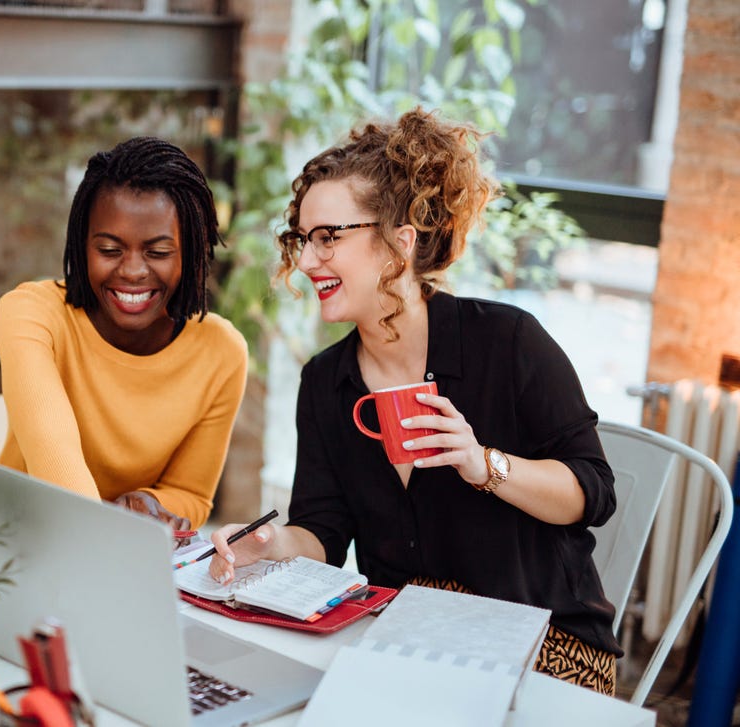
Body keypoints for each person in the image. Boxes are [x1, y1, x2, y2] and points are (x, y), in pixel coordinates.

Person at [207, 109, 622, 695]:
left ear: (399, 243)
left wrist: (484, 465)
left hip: (544, 640)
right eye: (303, 239)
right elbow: (324, 535)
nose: (305, 261)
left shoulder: (507, 342)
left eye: (328, 238)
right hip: (411, 637)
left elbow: (593, 494)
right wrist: (270, 547)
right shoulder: (326, 382)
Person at [0, 136, 248, 532]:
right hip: (17, 539)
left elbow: (191, 495)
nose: (132, 271)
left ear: (192, 254)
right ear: (82, 246)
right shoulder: (32, 314)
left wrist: (150, 503)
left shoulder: (221, 352)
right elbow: (53, 457)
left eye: (158, 252)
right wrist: (111, 525)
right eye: (110, 249)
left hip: (123, 554)